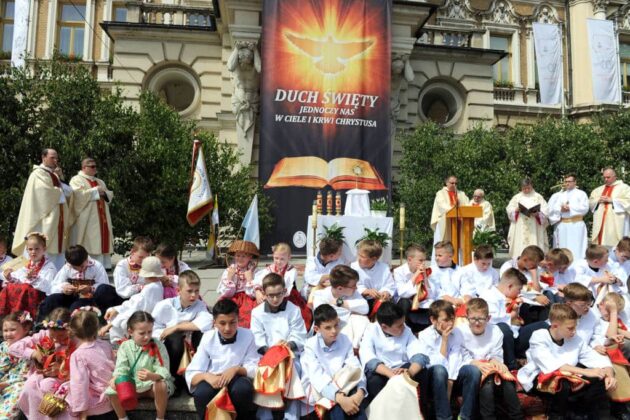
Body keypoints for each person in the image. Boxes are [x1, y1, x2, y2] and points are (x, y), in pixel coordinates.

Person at [517, 304, 616, 420]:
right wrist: (586, 372)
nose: (574, 331)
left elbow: (593, 357)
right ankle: (557, 416)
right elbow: (551, 364)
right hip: (540, 377)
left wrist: (609, 374)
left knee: (599, 378)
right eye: (570, 328)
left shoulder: (575, 338)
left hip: (571, 376)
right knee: (562, 383)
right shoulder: (539, 336)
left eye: (575, 327)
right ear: (555, 326)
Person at [186, 299, 259, 420]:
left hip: (238, 378)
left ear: (238, 320)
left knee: (242, 390)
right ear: (214, 322)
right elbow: (192, 372)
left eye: (232, 322)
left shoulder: (248, 335)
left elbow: (255, 367)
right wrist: (206, 376)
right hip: (214, 378)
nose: (227, 328)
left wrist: (236, 369)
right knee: (201, 393)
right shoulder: (208, 337)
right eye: (222, 323)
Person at [250, 273, 306, 420]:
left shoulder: (294, 310)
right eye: (271, 295)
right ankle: (265, 414)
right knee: (263, 370)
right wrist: (272, 353)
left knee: (295, 370)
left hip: (289, 353)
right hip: (266, 354)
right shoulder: (257, 313)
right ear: (263, 293)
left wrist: (288, 345)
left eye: (279, 294)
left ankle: (291, 416)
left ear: (285, 291)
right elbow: (257, 338)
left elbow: (299, 334)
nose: (275, 299)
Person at [458, 298, 523, 420]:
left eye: (481, 319)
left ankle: (517, 416)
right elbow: (459, 357)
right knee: (487, 384)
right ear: (467, 317)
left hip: (490, 366)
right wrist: (475, 363)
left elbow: (497, 354)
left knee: (507, 380)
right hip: (470, 369)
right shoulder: (460, 332)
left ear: (488, 318)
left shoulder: (496, 331)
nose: (477, 323)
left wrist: (494, 360)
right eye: (473, 319)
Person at [300, 304, 367, 420]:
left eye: (336, 325)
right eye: (328, 328)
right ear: (317, 329)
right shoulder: (310, 345)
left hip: (345, 385)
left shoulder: (345, 339)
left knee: (357, 410)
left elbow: (356, 367)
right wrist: (340, 399)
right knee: (336, 409)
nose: (334, 331)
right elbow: (317, 377)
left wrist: (360, 392)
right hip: (322, 390)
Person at [416, 300, 480, 420]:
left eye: (452, 319)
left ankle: (465, 417)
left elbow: (456, 358)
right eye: (445, 320)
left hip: (452, 377)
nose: (450, 323)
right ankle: (444, 417)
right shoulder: (425, 336)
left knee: (473, 371)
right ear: (433, 320)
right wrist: (444, 340)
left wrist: (450, 381)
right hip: (434, 379)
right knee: (440, 371)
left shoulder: (457, 332)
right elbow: (436, 364)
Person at [151, 270, 213, 395]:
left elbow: (207, 321)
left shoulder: (199, 305)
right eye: (189, 291)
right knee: (175, 340)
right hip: (172, 348)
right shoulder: (164, 306)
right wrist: (177, 330)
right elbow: (154, 329)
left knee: (201, 336)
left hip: (191, 347)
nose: (193, 295)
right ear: (178, 290)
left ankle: (194, 376)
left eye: (196, 291)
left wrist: (177, 327)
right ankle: (174, 378)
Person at [107, 311, 174, 420]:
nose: (147, 337)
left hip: (152, 386)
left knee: (161, 385)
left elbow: (164, 369)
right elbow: (121, 367)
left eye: (150, 332)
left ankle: (160, 417)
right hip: (133, 386)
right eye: (142, 333)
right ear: (130, 331)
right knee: (112, 390)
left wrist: (153, 376)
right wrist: (117, 378)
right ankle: (122, 418)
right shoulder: (125, 346)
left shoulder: (158, 345)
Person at [515, 282, 606, 362]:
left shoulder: (592, 315)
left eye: (589, 303)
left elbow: (597, 334)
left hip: (580, 354)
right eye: (583, 305)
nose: (587, 307)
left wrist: (595, 345)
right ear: (569, 304)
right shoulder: (558, 317)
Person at [12, 149, 71, 269]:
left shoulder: (53, 174)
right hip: (43, 221)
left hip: (57, 220)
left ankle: (55, 277)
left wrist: (60, 178)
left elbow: (68, 192)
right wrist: (61, 190)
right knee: (42, 250)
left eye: (56, 158)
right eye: (52, 157)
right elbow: (44, 193)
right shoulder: (38, 174)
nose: (55, 160)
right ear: (43, 158)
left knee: (57, 254)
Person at [359, 302, 428, 404]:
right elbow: (369, 358)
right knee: (374, 381)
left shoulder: (406, 330)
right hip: (382, 370)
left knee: (421, 372)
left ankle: (420, 409)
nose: (403, 327)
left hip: (403, 368)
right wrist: (391, 374)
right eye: (399, 326)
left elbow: (419, 355)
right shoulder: (371, 330)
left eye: (403, 323)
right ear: (384, 327)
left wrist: (409, 373)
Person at [12, 308, 73, 420]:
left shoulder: (75, 341)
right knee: (30, 386)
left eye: (61, 336)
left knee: (47, 386)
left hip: (66, 379)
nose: (56, 340)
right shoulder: (43, 335)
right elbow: (14, 347)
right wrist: (33, 353)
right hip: (42, 375)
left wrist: (61, 369)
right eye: (53, 336)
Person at [39, 244, 122, 320]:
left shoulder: (96, 266)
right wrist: (63, 288)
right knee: (50, 300)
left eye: (82, 266)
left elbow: (104, 287)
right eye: (75, 268)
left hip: (91, 299)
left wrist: (90, 289)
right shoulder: (67, 268)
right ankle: (41, 325)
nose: (80, 270)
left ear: (86, 258)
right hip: (72, 298)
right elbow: (53, 287)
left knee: (76, 307)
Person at [64, 307, 115, 419]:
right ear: (97, 327)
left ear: (73, 331)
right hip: (113, 398)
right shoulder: (105, 345)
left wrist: (81, 411)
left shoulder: (78, 355)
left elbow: (79, 384)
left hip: (95, 405)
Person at [100, 256, 165, 342]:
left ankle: (119, 341)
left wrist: (110, 325)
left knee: (118, 318)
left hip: (143, 319)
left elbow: (134, 309)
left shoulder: (150, 288)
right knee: (112, 310)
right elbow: (135, 303)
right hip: (144, 315)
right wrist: (117, 309)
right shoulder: (157, 285)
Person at [254, 242, 312, 330]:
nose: (278, 261)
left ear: (289, 258)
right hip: (270, 295)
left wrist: (277, 294)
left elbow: (287, 286)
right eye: (276, 258)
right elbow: (258, 281)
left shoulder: (291, 271)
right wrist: (258, 291)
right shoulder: (269, 269)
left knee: (299, 313)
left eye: (282, 259)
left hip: (287, 296)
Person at [68, 158, 114, 269]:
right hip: (87, 218)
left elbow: (108, 194)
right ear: (84, 167)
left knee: (102, 239)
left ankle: (104, 266)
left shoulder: (100, 181)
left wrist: (104, 193)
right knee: (90, 240)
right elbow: (77, 195)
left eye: (95, 166)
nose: (95, 169)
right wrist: (95, 191)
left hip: (102, 217)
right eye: (92, 167)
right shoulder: (76, 179)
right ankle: (89, 265)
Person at [479, 268, 528, 371]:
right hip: (499, 336)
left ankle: (526, 359)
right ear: (510, 286)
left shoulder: (511, 298)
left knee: (541, 327)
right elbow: (491, 320)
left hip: (515, 333)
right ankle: (511, 367)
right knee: (503, 327)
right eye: (518, 289)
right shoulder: (488, 296)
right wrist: (511, 316)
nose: (519, 293)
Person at [312, 265, 369, 349]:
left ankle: (355, 348)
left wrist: (340, 303)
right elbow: (327, 317)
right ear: (340, 288)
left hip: (350, 333)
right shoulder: (320, 296)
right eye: (353, 286)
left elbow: (365, 308)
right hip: (331, 336)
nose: (356, 288)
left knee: (360, 318)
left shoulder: (353, 293)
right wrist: (350, 310)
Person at [0, 232, 57, 317]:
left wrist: (34, 277)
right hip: (23, 293)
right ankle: (4, 316)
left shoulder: (49, 267)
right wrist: (10, 277)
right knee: (8, 287)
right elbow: (19, 279)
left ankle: (18, 317)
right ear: (27, 250)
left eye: (37, 249)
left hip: (38, 297)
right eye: (30, 249)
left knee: (25, 287)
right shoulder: (25, 264)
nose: (33, 252)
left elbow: (47, 287)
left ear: (44, 249)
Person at [217, 240, 259, 328]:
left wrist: (250, 280)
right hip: (232, 297)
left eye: (243, 256)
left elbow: (254, 294)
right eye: (238, 256)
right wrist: (229, 278)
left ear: (250, 257)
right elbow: (226, 294)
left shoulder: (254, 271)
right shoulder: (229, 270)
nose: (240, 258)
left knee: (249, 314)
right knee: (227, 313)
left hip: (248, 299)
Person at [394, 244, 435, 332]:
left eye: (424, 260)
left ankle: (429, 332)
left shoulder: (427, 271)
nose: (423, 263)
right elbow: (402, 293)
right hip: (405, 303)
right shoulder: (398, 271)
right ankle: (404, 330)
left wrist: (425, 276)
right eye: (420, 260)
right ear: (409, 260)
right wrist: (416, 275)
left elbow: (431, 295)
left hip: (421, 302)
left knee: (435, 306)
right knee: (404, 302)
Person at [547, 174, 589, 259]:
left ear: (575, 182)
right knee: (563, 246)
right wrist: (561, 209)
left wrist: (570, 208)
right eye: (566, 181)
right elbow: (552, 208)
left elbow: (585, 208)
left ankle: (577, 263)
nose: (567, 183)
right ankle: (562, 263)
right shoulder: (560, 195)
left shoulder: (581, 194)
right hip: (563, 224)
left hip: (576, 224)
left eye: (569, 181)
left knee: (576, 246)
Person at [0, 311, 32, 419]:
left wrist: (6, 384)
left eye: (12, 330)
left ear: (25, 329)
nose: (8, 334)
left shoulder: (29, 347)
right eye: (5, 330)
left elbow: (24, 374)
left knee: (19, 391)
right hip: (3, 380)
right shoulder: (4, 346)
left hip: (17, 382)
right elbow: (2, 366)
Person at [506, 178, 549, 258]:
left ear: (532, 186)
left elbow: (545, 210)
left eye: (528, 188)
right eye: (524, 188)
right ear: (521, 187)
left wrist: (538, 214)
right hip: (520, 226)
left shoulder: (538, 197)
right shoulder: (516, 197)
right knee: (520, 246)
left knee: (534, 244)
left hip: (534, 226)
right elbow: (509, 209)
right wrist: (516, 210)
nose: (526, 190)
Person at [430, 176, 469, 261]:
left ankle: (458, 263)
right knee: (442, 243)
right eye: (452, 183)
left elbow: (467, 206)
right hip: (445, 223)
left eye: (456, 183)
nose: (454, 185)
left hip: (459, 223)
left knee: (460, 244)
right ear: (446, 183)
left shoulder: (461, 194)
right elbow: (442, 206)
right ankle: (440, 262)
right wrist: (453, 208)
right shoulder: (440, 193)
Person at [351, 239, 395, 313]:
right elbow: (353, 286)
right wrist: (366, 291)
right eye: (359, 254)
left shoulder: (384, 268)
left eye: (362, 256)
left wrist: (385, 292)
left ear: (374, 259)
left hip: (380, 301)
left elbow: (390, 285)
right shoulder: (353, 267)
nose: (359, 258)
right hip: (361, 300)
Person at [590, 168, 630, 248]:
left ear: (615, 177)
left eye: (608, 177)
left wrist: (612, 200)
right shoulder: (598, 190)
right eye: (604, 177)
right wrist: (597, 200)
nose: (606, 179)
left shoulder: (625, 188)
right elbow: (590, 202)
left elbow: (628, 201)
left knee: (615, 245)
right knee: (600, 244)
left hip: (616, 222)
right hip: (601, 222)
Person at [302, 236, 345, 301]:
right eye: (339, 253)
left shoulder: (339, 261)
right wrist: (332, 277)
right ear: (331, 256)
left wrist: (327, 280)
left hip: (331, 290)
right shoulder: (312, 261)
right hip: (312, 291)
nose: (341, 254)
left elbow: (342, 277)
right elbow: (310, 278)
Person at [430, 241, 463, 307]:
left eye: (440, 255)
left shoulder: (460, 271)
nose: (436, 258)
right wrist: (452, 300)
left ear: (450, 256)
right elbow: (436, 291)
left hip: (458, 305)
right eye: (436, 255)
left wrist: (459, 301)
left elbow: (466, 289)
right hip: (438, 306)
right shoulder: (431, 271)